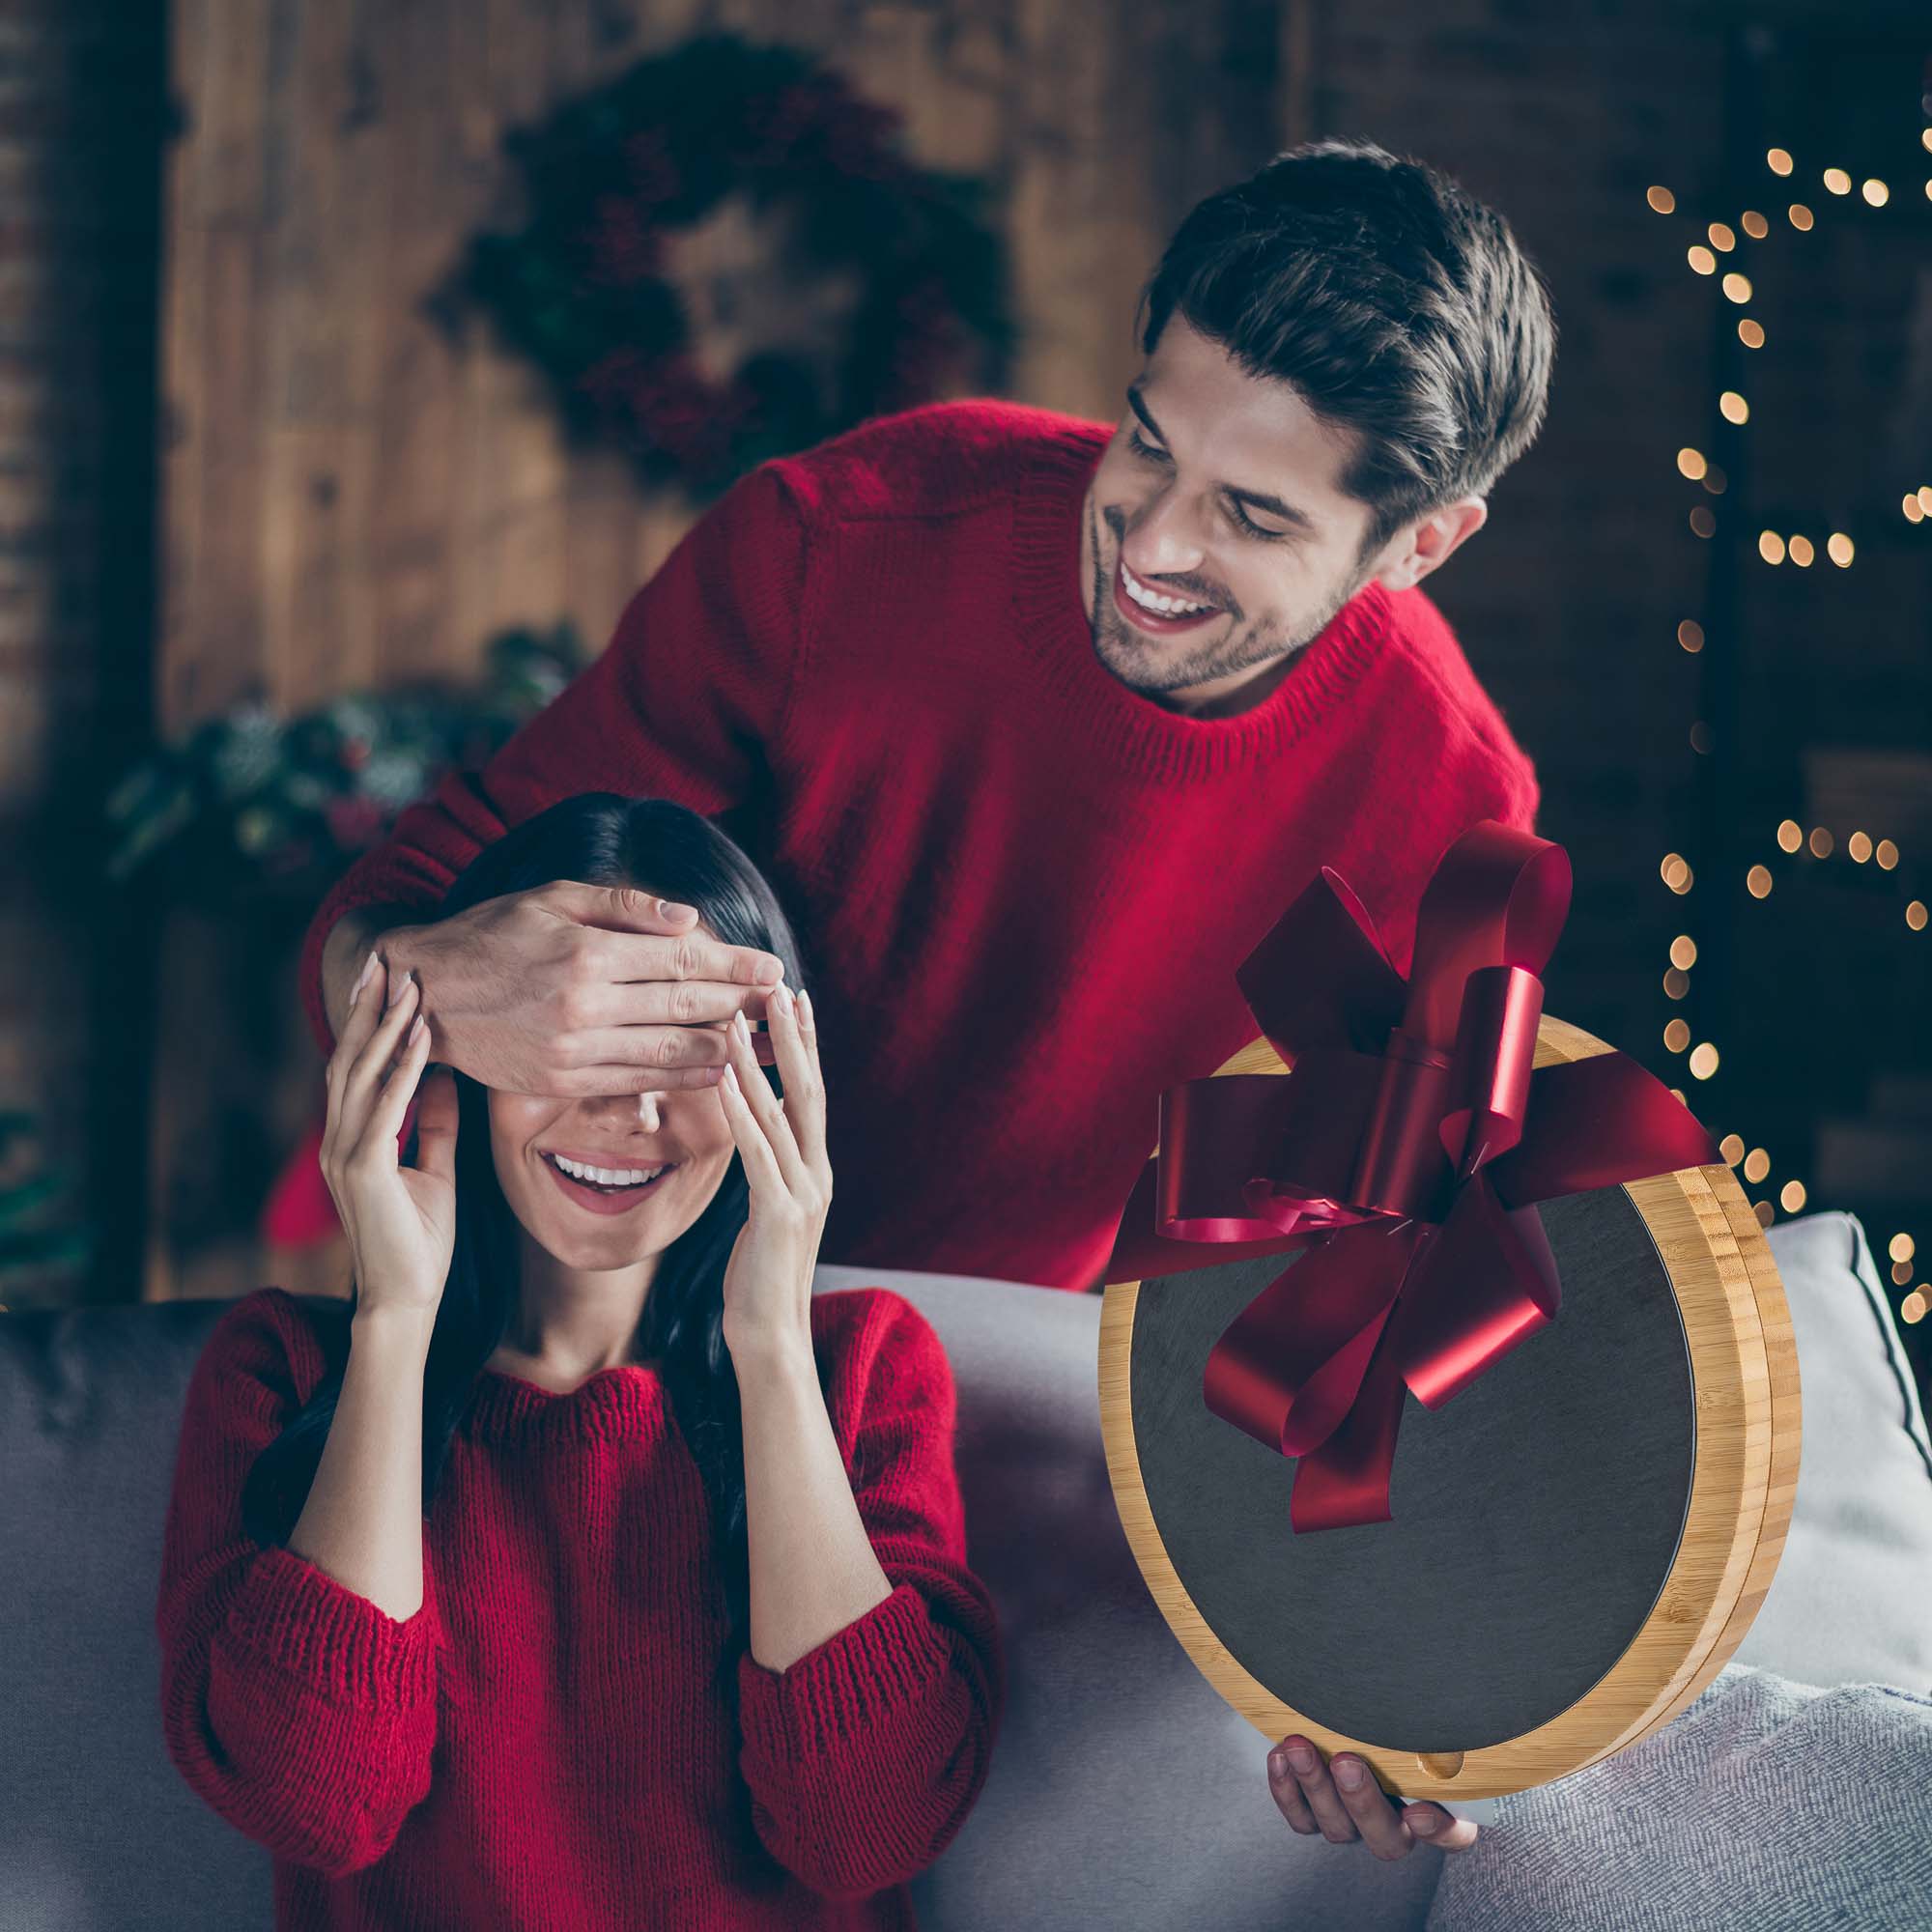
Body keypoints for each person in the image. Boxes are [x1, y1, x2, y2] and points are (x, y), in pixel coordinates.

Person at [295, 136, 1557, 1861]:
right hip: (622, 1331)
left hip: (999, 1414)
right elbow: (395, 908)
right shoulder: (847, 538)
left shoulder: (1456, 814)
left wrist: (1388, 1669)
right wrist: (428, 975)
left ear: (1422, 542)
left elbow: (1374, 1306)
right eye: (1149, 441)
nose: (1154, 542)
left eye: (1255, 515)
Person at [157, 794, 1004, 1931]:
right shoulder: (280, 1368)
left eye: (687, 1048)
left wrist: (767, 1348)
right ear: (457, 1050)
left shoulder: (864, 1369)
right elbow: (312, 1802)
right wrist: (397, 1323)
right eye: (585, 1042)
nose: (632, 1108)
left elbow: (868, 1831)